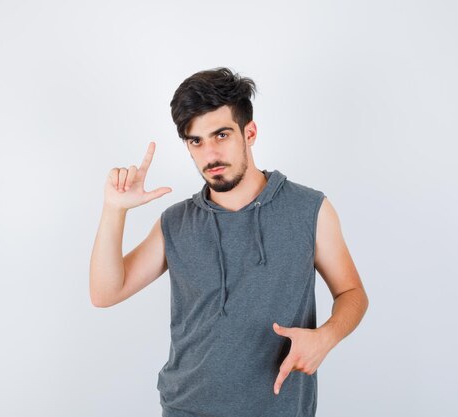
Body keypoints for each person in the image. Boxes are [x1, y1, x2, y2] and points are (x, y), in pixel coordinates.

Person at [89, 67, 369, 417]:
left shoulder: (309, 209)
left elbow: (352, 294)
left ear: (249, 133)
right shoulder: (176, 222)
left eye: (221, 135)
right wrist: (114, 210)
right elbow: (104, 293)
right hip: (185, 408)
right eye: (196, 141)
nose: (210, 155)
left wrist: (325, 338)